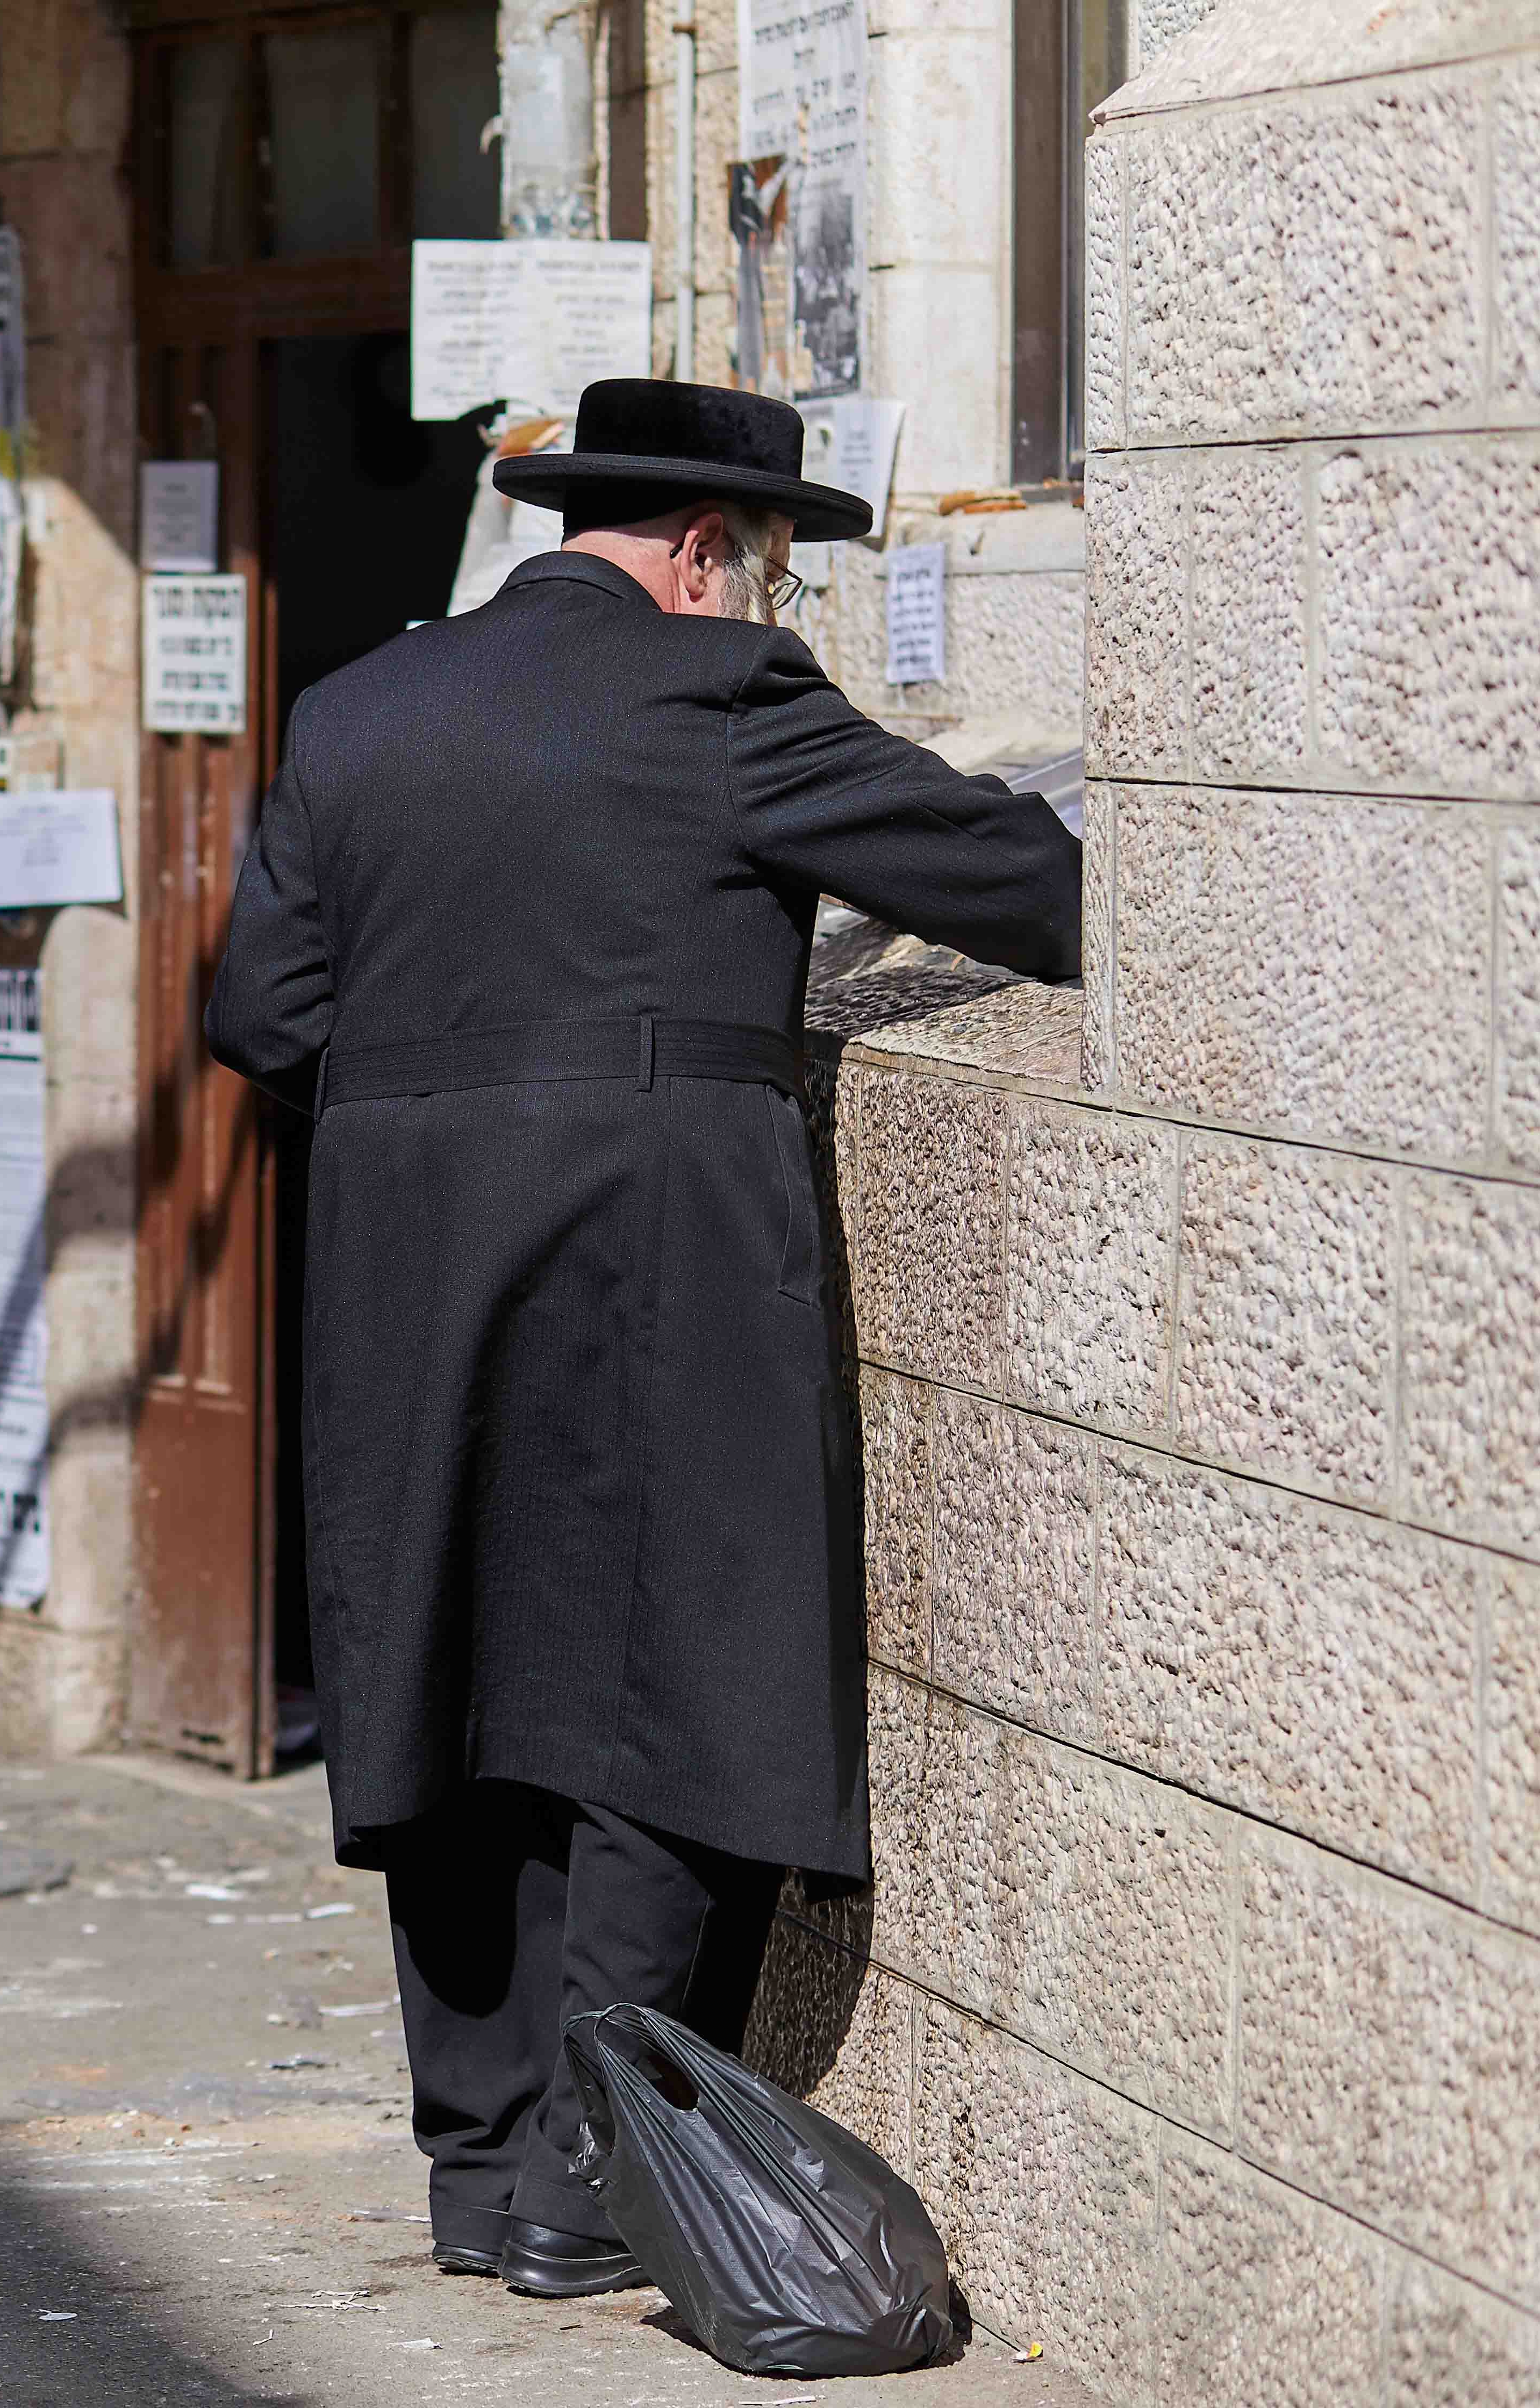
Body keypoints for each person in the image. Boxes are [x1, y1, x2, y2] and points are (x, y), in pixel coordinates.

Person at [203, 379, 1080, 2298]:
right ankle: (588, 2193)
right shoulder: (725, 698)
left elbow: (264, 1015)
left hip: (401, 1268)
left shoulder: (359, 709)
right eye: (769, 571)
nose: (772, 603)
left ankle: (478, 2165)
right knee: (678, 1673)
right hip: (660, 1249)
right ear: (703, 550)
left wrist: (464, 1088)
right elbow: (1022, 883)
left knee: (446, 1675)